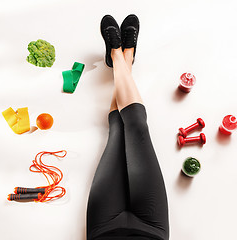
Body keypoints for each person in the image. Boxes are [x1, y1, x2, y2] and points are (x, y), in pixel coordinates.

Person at [86, 14, 169, 240]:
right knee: (136, 126)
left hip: (104, 228)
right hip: (150, 229)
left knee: (117, 131)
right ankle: (124, 58)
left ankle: (118, 57)